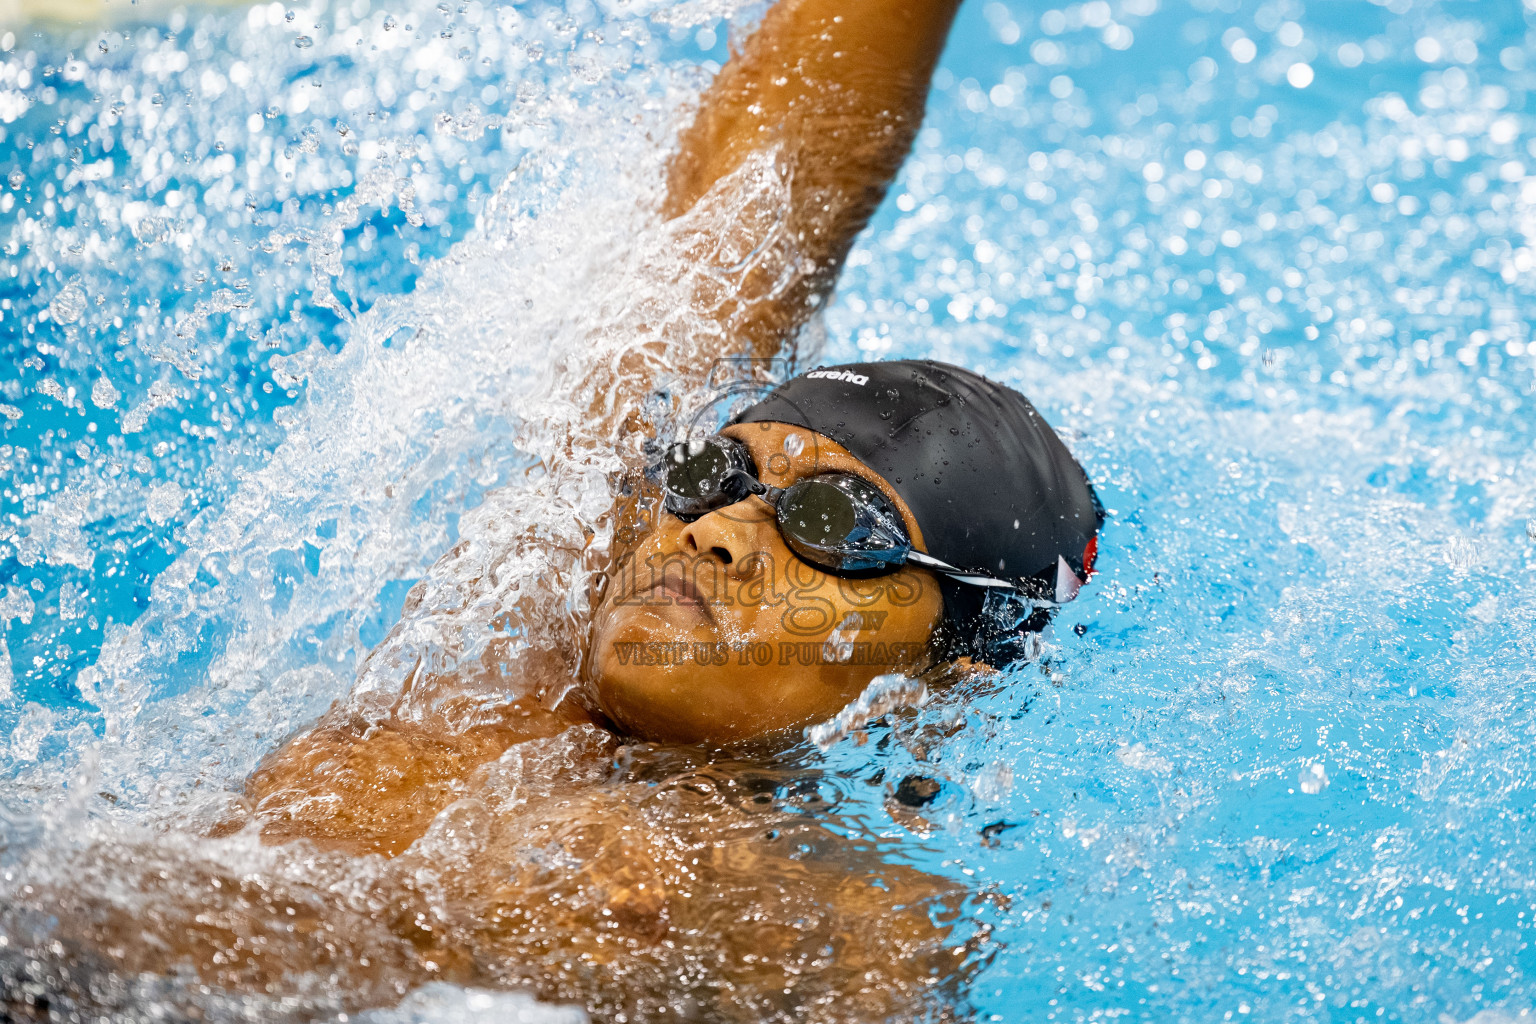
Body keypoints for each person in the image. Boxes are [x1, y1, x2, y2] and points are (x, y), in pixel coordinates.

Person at [17, 0, 1099, 1019]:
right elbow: (756, 203)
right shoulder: (527, 625)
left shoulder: (838, 930)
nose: (718, 531)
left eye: (829, 526)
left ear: (941, 682)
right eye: (716, 474)